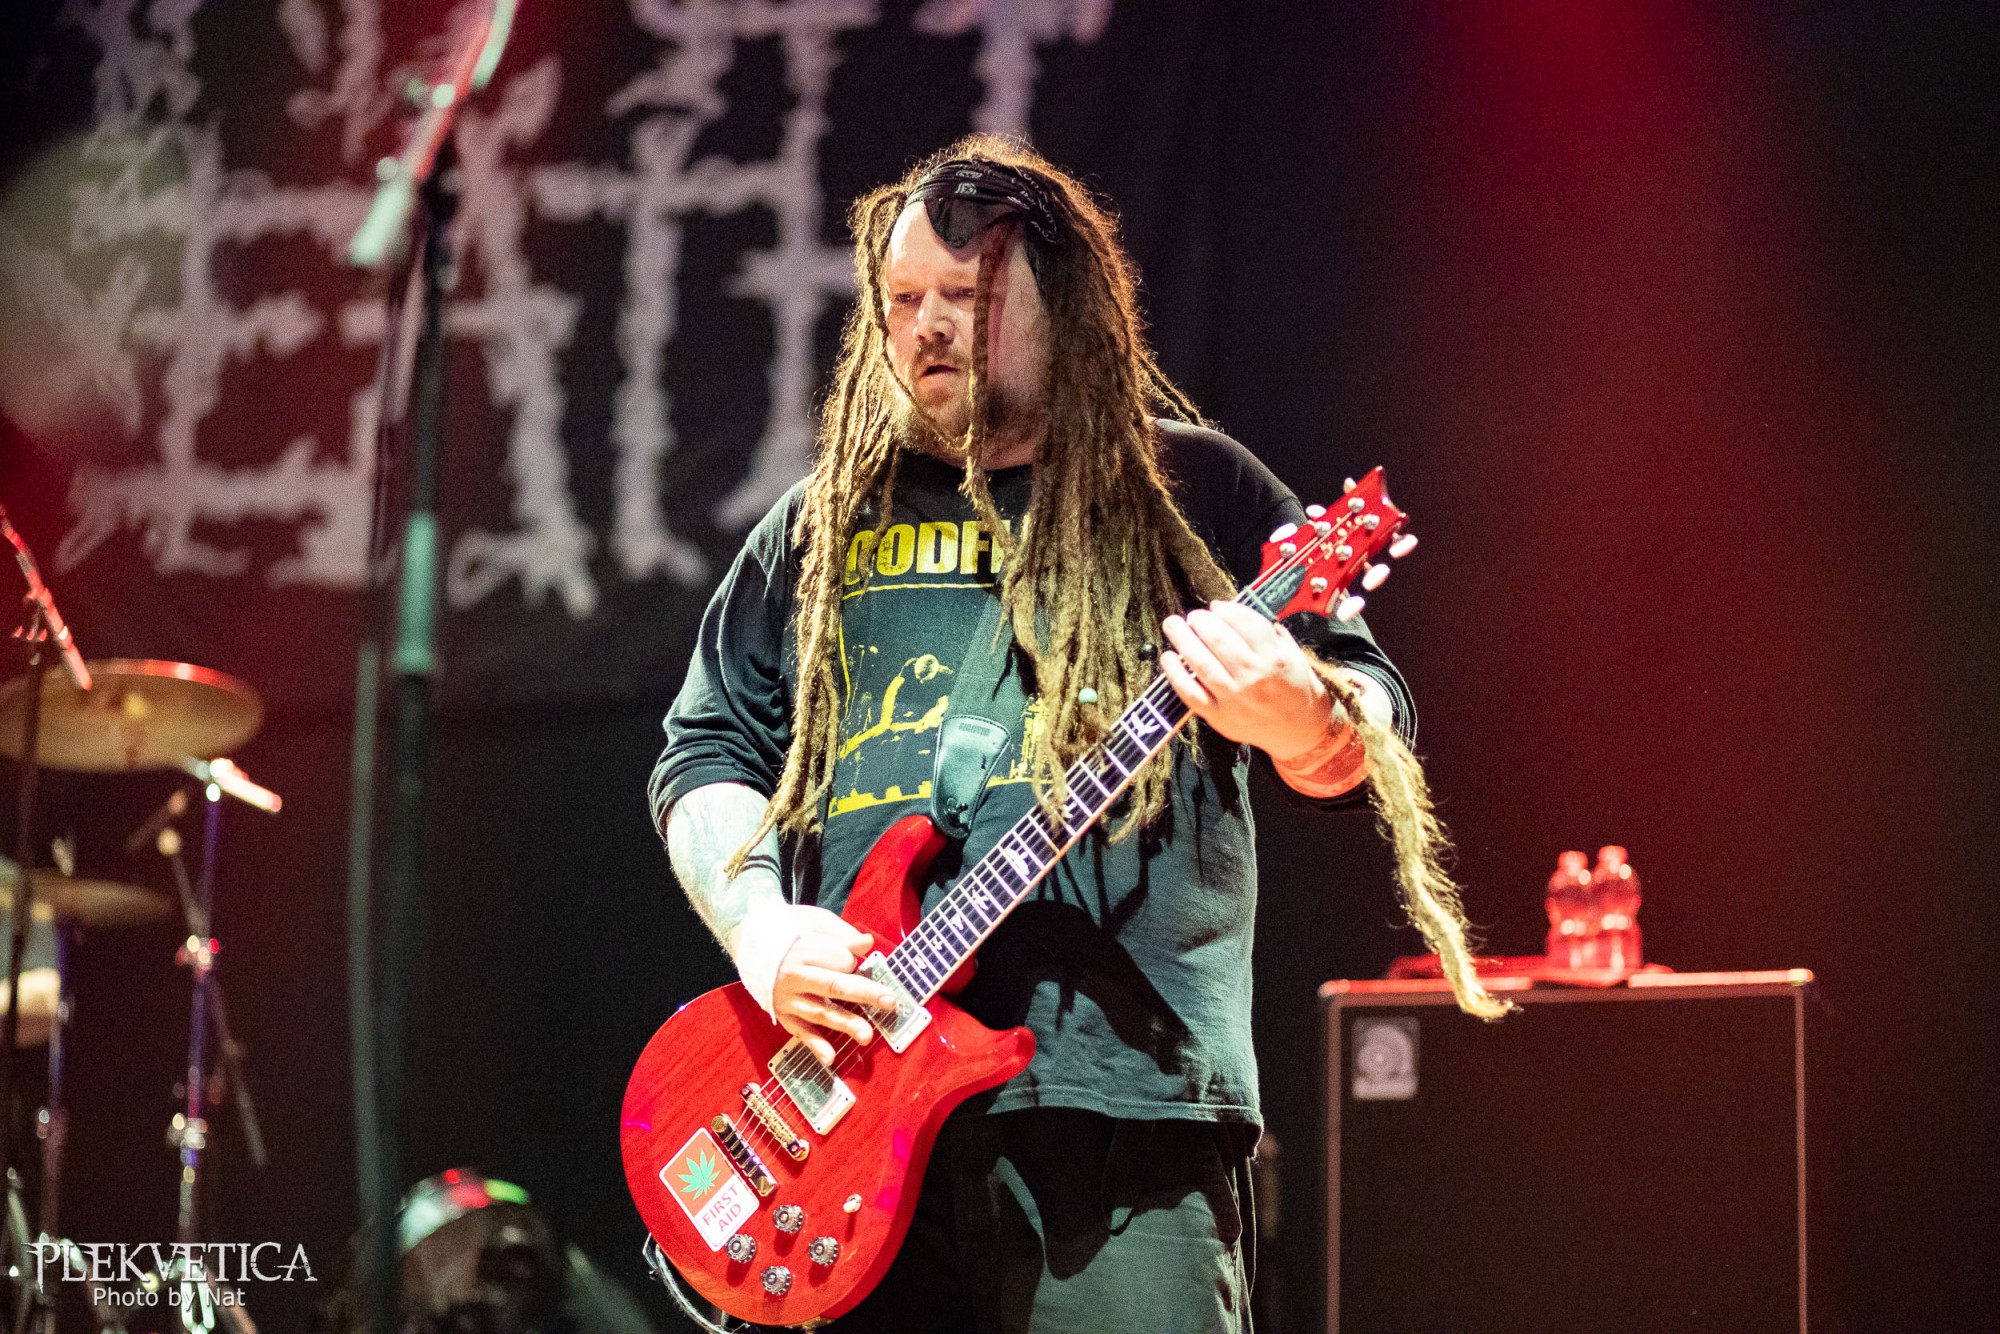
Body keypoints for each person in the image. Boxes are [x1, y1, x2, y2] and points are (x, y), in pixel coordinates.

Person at [649, 136, 1424, 1334]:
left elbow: (1367, 718)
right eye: (902, 299)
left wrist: (1295, 714)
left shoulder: (1190, 492)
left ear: (1058, 306)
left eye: (963, 297)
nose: (924, 328)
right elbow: (705, 750)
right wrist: (760, 929)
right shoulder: (819, 525)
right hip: (843, 1126)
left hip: (1122, 1122)